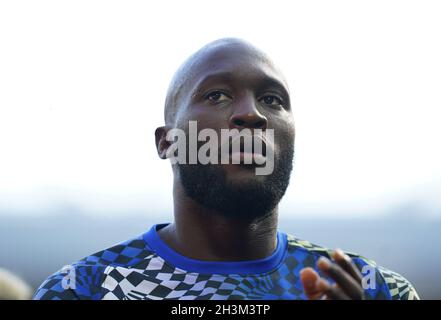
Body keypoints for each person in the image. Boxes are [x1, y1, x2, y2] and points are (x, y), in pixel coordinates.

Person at [34, 38, 419, 300]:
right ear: (167, 142)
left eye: (271, 99)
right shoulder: (84, 289)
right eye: (216, 95)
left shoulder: (373, 289)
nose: (251, 114)